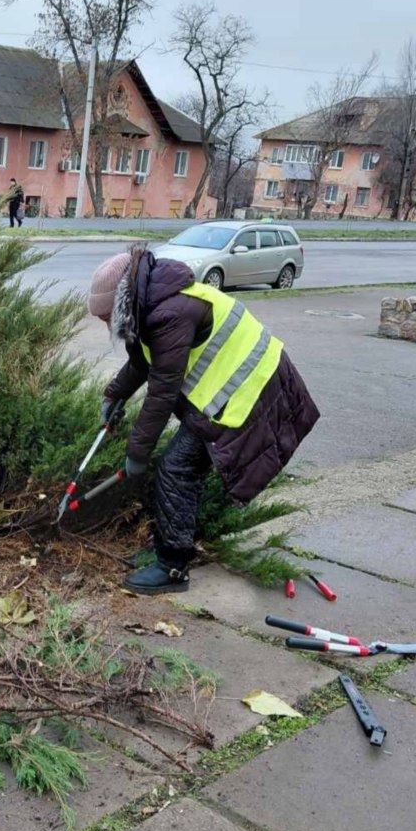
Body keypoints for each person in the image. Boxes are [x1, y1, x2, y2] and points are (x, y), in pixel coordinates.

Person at [87, 243, 319, 595]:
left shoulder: (170, 313)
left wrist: (137, 453)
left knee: (176, 468)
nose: (106, 324)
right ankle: (166, 547)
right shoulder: (154, 301)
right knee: (178, 466)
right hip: (242, 389)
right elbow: (143, 360)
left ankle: (173, 568)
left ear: (120, 304)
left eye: (105, 317)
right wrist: (114, 393)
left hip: (253, 392)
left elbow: (163, 391)